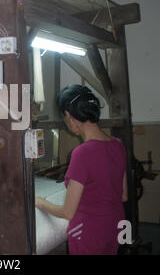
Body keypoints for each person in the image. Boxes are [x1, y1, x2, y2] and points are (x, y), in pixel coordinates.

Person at [35, 85, 128, 255]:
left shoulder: (82, 153)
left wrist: (41, 203)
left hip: (88, 232)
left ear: (69, 116)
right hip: (117, 226)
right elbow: (124, 195)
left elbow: (68, 212)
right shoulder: (118, 145)